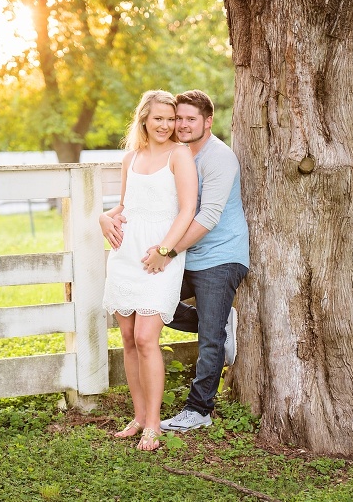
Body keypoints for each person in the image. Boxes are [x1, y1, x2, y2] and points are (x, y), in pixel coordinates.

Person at [141, 89, 250, 432]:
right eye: (179, 119)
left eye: (191, 119)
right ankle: (216, 323)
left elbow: (209, 216)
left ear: (207, 121)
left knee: (209, 340)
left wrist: (166, 252)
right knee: (154, 301)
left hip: (221, 256)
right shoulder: (178, 153)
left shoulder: (219, 157)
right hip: (187, 253)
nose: (182, 125)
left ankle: (199, 410)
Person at [100, 90, 198, 451]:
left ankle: (154, 426)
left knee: (146, 338)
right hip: (126, 256)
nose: (166, 125)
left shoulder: (180, 155)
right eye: (159, 118)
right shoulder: (132, 158)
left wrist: (164, 250)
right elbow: (124, 205)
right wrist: (102, 217)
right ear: (144, 118)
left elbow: (187, 210)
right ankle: (139, 416)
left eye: (171, 119)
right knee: (127, 338)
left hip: (160, 256)